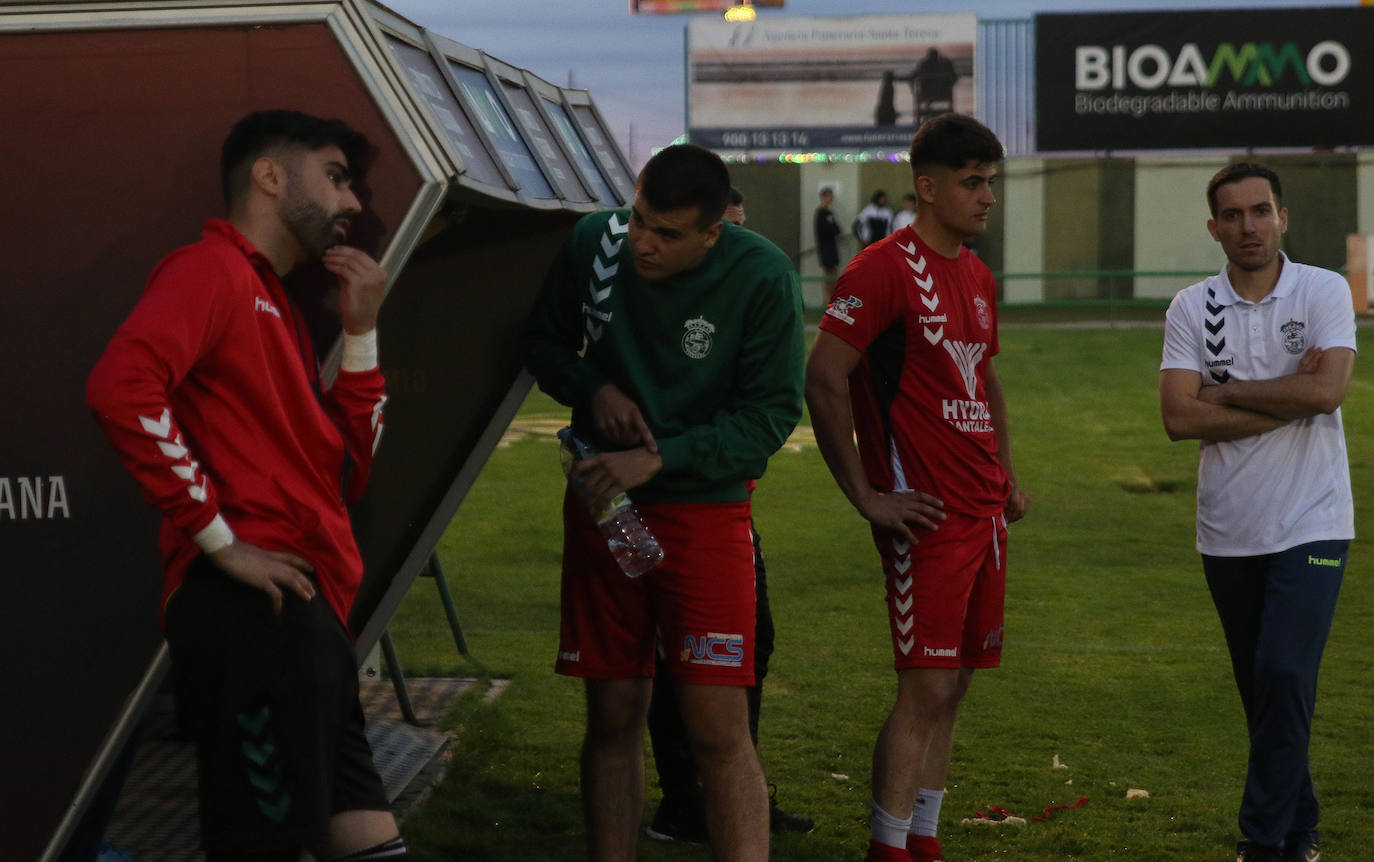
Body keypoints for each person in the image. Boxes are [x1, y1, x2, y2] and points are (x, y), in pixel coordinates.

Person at [86, 110, 404, 862]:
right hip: (254, 617)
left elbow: (349, 470)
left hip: (308, 613)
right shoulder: (209, 269)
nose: (353, 203)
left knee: (366, 834)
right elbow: (121, 387)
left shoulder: (275, 299)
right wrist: (221, 542)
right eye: (335, 177)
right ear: (269, 175)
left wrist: (361, 333)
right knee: (264, 844)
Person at [520, 143, 805, 862]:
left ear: (714, 233)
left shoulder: (763, 274)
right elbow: (543, 343)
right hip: (605, 511)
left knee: (718, 727)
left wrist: (660, 458)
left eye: (668, 233)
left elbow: (769, 417)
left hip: (706, 518)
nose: (643, 242)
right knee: (613, 717)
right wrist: (595, 388)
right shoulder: (597, 242)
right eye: (641, 218)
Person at [805, 113, 1028, 862]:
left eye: (991, 182)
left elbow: (984, 377)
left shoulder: (976, 270)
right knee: (924, 690)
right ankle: (887, 846)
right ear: (926, 188)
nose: (987, 197)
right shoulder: (881, 268)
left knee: (957, 684)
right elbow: (825, 375)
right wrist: (867, 493)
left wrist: (1007, 475)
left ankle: (922, 839)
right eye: (972, 183)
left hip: (983, 511)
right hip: (923, 513)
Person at [1159, 163, 1355, 862]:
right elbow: (1179, 419)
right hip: (1229, 531)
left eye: (1261, 210)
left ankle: (1262, 841)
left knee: (1283, 673)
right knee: (1262, 689)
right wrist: (1281, 397)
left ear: (1283, 217)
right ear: (1215, 227)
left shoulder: (1324, 289)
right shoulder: (1190, 306)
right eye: (1234, 215)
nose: (1249, 225)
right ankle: (1302, 825)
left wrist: (1229, 393)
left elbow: (1327, 395)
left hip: (1315, 521)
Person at [642, 184, 814, 845]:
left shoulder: (751, 289)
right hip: (672, 504)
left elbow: (767, 410)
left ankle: (723, 794)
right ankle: (687, 800)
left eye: (740, 233)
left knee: (745, 648)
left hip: (723, 499)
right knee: (665, 659)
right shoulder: (670, 301)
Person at [815, 187, 843, 293]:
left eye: (831, 196)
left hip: (832, 246)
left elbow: (836, 229)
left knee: (834, 272)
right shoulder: (821, 213)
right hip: (825, 247)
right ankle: (827, 299)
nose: (830, 198)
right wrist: (832, 230)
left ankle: (832, 297)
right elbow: (824, 230)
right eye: (827, 196)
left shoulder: (829, 213)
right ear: (823, 197)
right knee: (828, 272)